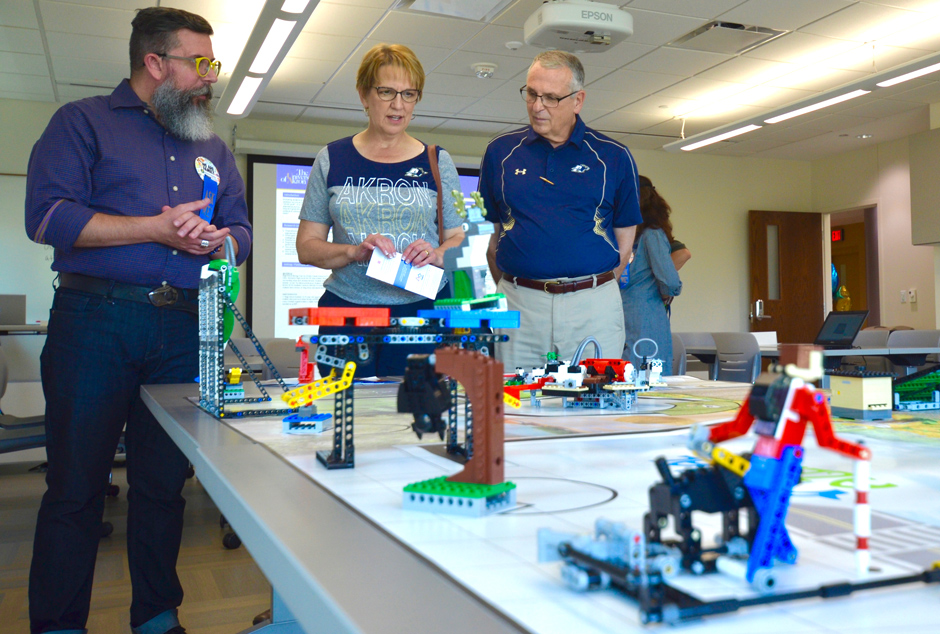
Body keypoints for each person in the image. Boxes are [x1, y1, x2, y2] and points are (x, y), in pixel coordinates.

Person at [24, 7, 252, 634]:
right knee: (75, 490)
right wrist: (152, 228)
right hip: (94, 323)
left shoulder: (212, 145)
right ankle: (60, 624)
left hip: (184, 329)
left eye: (213, 63)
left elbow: (244, 229)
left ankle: (156, 615)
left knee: (161, 489)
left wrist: (219, 237)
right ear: (155, 63)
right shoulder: (81, 123)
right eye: (199, 63)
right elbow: (47, 217)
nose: (211, 77)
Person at [296, 43, 465, 377]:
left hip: (424, 312)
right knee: (344, 416)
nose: (398, 105)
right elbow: (306, 247)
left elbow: (460, 241)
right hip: (345, 311)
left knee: (417, 417)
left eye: (409, 94)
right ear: (364, 94)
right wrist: (354, 251)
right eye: (386, 91)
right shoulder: (332, 158)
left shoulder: (437, 160)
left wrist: (434, 254)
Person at [480, 50, 642, 371]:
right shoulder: (500, 153)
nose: (537, 106)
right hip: (519, 304)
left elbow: (626, 246)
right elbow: (490, 238)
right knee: (516, 406)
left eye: (551, 98)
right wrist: (519, 287)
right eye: (532, 94)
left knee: (595, 408)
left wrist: (591, 290)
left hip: (593, 306)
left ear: (577, 100)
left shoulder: (614, 157)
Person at [621, 176, 682, 374]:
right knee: (651, 377)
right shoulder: (652, 234)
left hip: (622, 311)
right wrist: (669, 291)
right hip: (647, 315)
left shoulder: (625, 236)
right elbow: (669, 281)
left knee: (626, 374)